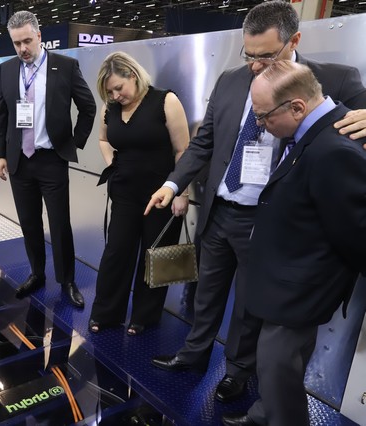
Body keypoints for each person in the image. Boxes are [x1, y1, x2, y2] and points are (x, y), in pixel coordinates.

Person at [146, 0, 366, 404]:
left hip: (267, 221)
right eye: (249, 55)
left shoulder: (333, 79)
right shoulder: (231, 79)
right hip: (221, 209)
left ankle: (236, 371)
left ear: (293, 41)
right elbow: (205, 142)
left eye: (266, 56)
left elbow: (354, 132)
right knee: (206, 291)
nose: (255, 66)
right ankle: (194, 354)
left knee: (250, 304)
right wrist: (174, 184)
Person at [221, 60, 366, 426]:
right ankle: (263, 414)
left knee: (276, 370)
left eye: (263, 116)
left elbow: (355, 234)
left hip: (299, 291)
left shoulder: (334, 149)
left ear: (297, 107)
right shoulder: (311, 133)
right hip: (285, 281)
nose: (259, 124)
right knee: (279, 372)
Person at [0, 10, 96, 308]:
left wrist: (73, 143)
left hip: (52, 159)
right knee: (29, 222)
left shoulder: (65, 66)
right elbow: (1, 114)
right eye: (17, 43)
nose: (23, 48)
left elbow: (88, 107)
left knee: (60, 224)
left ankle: (67, 280)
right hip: (19, 161)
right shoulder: (7, 69)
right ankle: (37, 273)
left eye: (27, 41)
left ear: (39, 36)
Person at [88, 52, 190, 336]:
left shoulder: (165, 101)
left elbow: (183, 149)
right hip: (124, 192)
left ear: (133, 75)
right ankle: (106, 313)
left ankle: (145, 316)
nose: (115, 95)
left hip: (162, 194)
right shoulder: (110, 107)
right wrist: (113, 163)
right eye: (109, 92)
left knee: (156, 256)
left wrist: (181, 191)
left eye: (118, 88)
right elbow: (103, 139)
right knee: (116, 253)